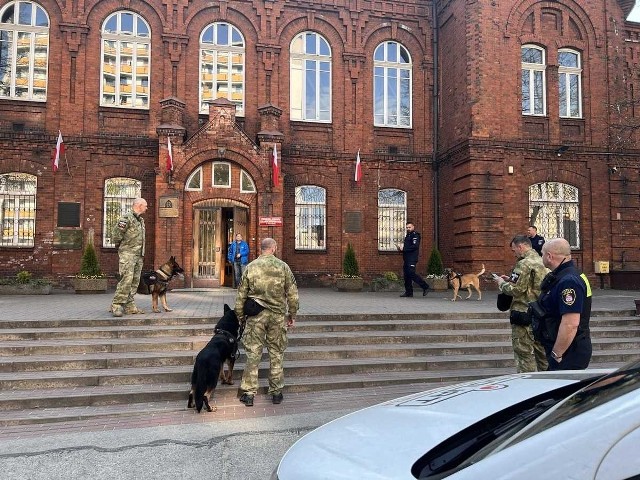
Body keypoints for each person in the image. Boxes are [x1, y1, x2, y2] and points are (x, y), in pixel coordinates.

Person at [235, 238, 299, 407]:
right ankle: (276, 392)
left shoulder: (251, 267)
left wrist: (240, 316)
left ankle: (248, 393)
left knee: (253, 354)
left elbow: (241, 294)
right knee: (276, 353)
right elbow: (292, 293)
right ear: (274, 248)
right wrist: (292, 314)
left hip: (256, 317)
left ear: (261, 249)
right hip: (277, 316)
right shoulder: (283, 267)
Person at [530, 238, 592, 370]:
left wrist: (556, 354)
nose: (541, 257)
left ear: (549, 256)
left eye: (542, 254)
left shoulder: (568, 281)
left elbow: (570, 324)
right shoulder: (562, 276)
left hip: (568, 352)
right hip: (566, 348)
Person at [493, 235, 549, 373]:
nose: (514, 254)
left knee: (524, 354)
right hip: (540, 313)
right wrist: (510, 279)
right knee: (542, 355)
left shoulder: (524, 263)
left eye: (514, 250)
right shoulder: (542, 261)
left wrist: (502, 284)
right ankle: (548, 385)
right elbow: (529, 284)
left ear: (520, 247)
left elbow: (517, 290)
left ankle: (527, 387)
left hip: (524, 313)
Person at [110, 197, 147, 317]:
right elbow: (116, 235)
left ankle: (129, 305)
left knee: (134, 281)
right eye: (145, 205)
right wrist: (123, 248)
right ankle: (117, 305)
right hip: (128, 255)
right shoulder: (126, 218)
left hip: (138, 255)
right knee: (126, 280)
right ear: (139, 205)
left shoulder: (140, 220)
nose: (147, 208)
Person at [396, 221, 430, 298]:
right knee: (406, 275)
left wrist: (404, 248)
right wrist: (401, 249)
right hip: (406, 258)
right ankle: (409, 292)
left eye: (409, 227)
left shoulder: (415, 235)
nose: (408, 229)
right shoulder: (407, 236)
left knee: (411, 274)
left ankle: (425, 286)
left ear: (413, 227)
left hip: (412, 258)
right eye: (407, 227)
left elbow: (415, 246)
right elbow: (407, 248)